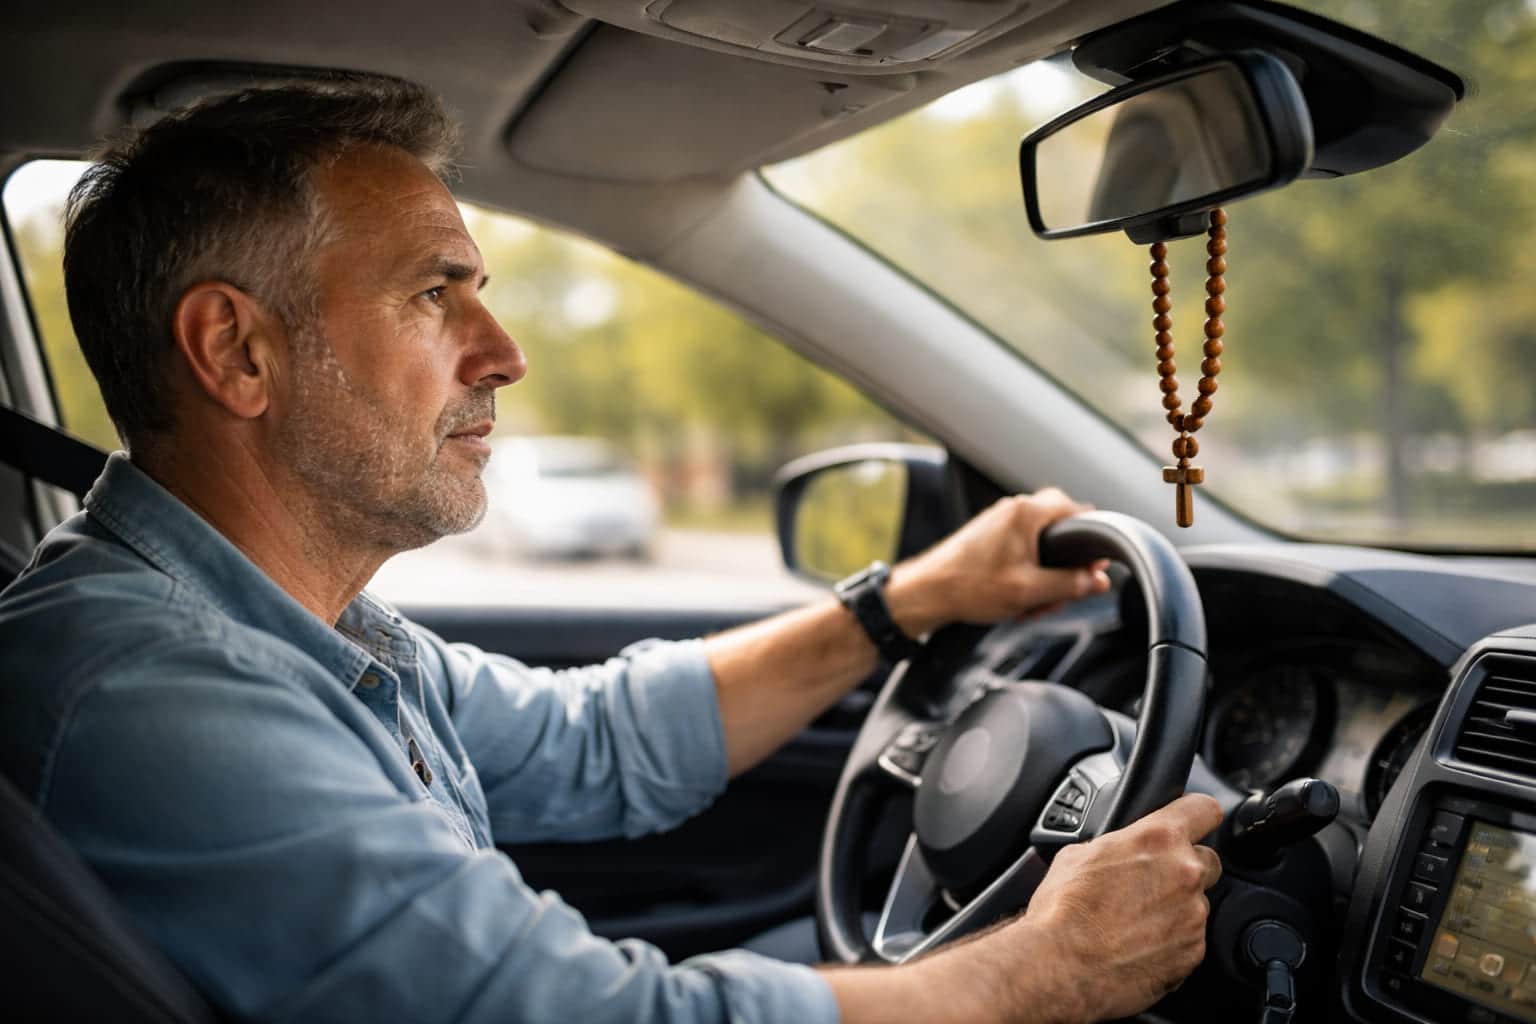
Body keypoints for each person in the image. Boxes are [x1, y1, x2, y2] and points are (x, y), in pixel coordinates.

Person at [0, 77, 1222, 1023]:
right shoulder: (149, 685)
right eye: (435, 293)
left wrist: (916, 597)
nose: (501, 350)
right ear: (237, 352)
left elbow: (602, 741)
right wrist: (1042, 971)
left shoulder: (292, 628)